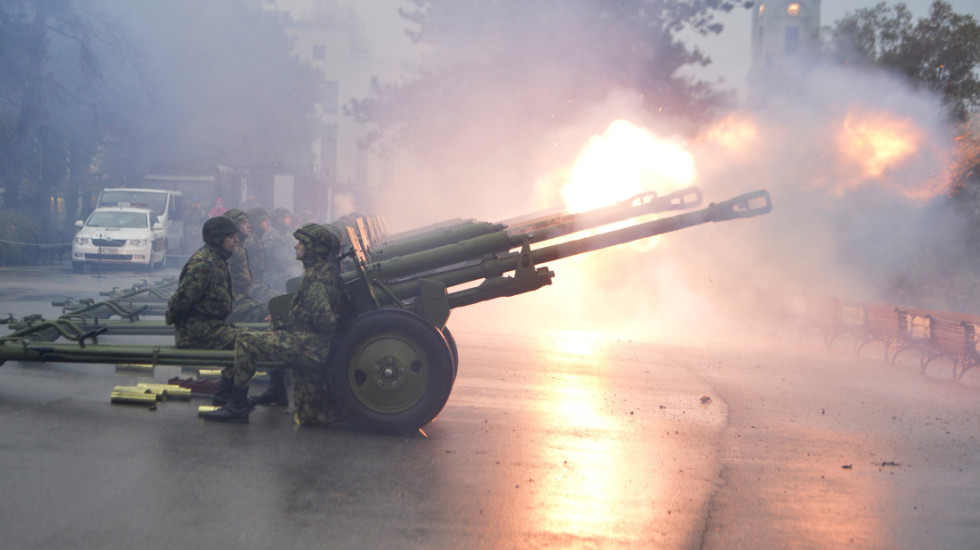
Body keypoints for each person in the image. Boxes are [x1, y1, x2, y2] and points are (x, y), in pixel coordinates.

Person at [203, 223, 345, 425]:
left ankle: (235, 406)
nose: (296, 247)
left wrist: (297, 321)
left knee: (245, 339)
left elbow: (325, 320)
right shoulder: (325, 271)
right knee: (309, 415)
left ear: (313, 249)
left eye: (301, 243)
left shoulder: (315, 278)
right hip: (315, 346)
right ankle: (278, 392)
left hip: (308, 346)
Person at [165, 216, 247, 405]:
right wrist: (176, 323)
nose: (236, 240)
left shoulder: (217, 259)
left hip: (211, 327)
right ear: (217, 238)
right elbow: (181, 300)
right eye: (231, 236)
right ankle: (231, 401)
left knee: (247, 339)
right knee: (246, 342)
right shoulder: (205, 263)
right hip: (198, 333)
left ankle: (226, 397)